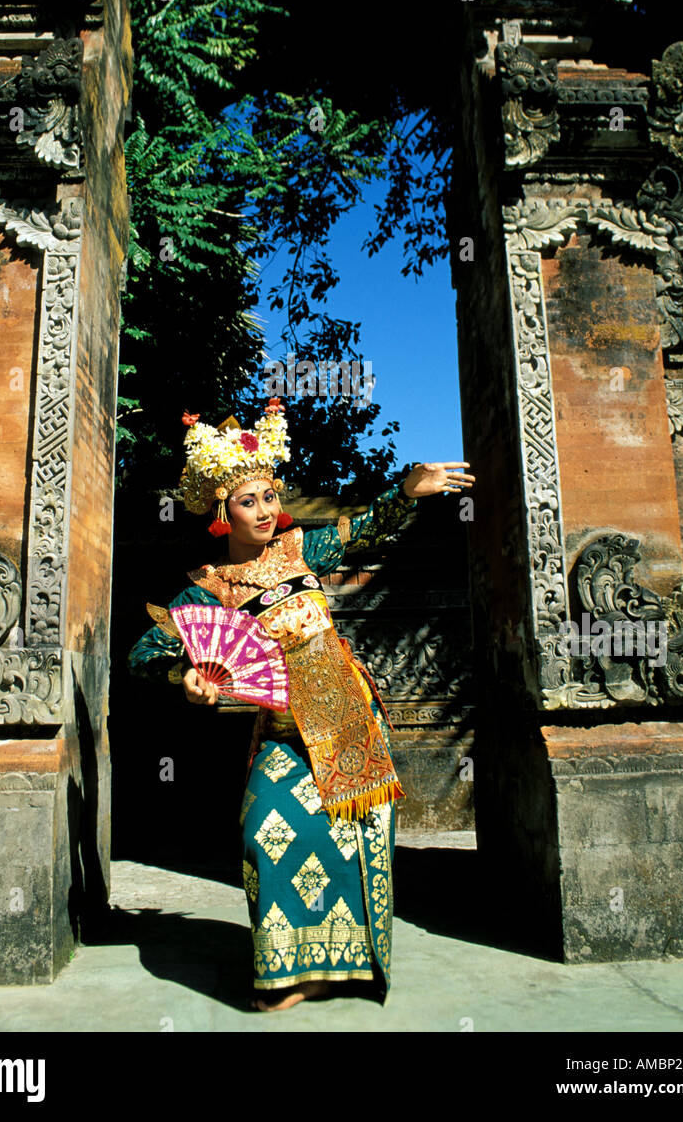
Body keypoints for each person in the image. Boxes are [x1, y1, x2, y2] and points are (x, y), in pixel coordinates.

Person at [127, 400, 475, 1011]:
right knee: (267, 832)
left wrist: (406, 490)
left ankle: (342, 968)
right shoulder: (208, 587)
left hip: (344, 710)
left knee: (352, 835)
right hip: (281, 724)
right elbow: (142, 654)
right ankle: (283, 971)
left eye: (268, 496)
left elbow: (365, 526)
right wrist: (185, 677)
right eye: (247, 501)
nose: (264, 511)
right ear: (220, 511)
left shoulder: (302, 551)